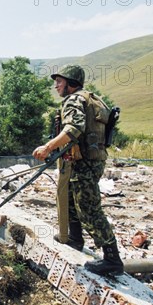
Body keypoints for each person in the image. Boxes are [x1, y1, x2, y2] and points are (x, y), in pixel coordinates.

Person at [32, 65, 124, 276]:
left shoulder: (74, 100)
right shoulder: (93, 99)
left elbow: (73, 129)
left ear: (71, 83)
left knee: (88, 207)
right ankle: (74, 239)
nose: (56, 85)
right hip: (91, 159)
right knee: (72, 198)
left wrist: (48, 147)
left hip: (84, 163)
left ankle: (112, 259)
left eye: (60, 81)